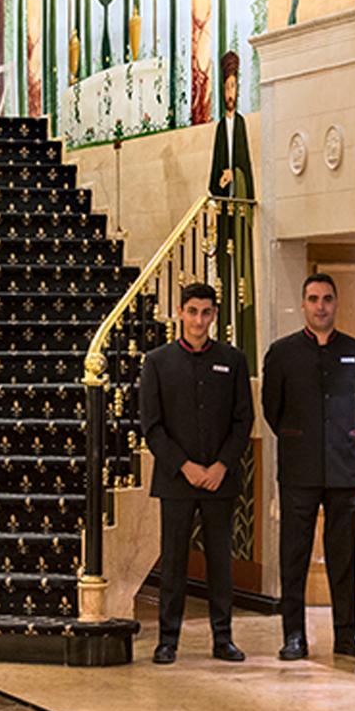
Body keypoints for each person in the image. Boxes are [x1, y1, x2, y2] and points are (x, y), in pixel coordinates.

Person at [261, 272, 355, 661]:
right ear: (303, 303)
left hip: (345, 469)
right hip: (299, 468)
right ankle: (294, 636)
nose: (321, 306)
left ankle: (347, 635)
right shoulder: (282, 352)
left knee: (344, 557)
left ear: (336, 303)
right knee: (294, 555)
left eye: (327, 299)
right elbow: (271, 410)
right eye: (313, 299)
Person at [140, 281, 254, 665]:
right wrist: (185, 466)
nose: (198, 320)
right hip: (176, 480)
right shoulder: (157, 361)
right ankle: (167, 640)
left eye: (206, 313)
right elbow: (151, 426)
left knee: (221, 562)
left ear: (214, 315)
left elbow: (243, 420)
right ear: (180, 312)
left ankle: (223, 639)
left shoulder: (233, 361)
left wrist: (221, 465)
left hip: (220, 480)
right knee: (173, 561)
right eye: (192, 312)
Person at [207, 50, 258, 374]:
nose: (230, 94)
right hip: (225, 211)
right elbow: (214, 173)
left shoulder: (239, 125)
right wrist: (220, 181)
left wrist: (235, 179)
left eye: (233, 88)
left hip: (238, 207)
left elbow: (246, 168)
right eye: (226, 89)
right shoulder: (218, 128)